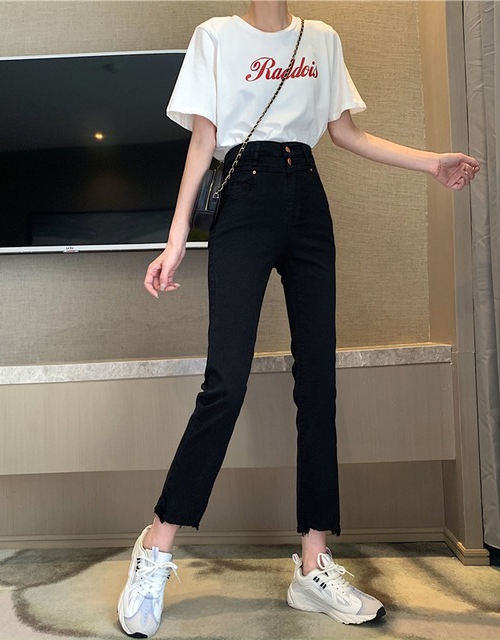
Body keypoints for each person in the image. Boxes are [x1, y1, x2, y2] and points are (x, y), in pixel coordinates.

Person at [118, 2, 479, 637]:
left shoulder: (322, 38)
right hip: (244, 196)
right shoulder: (215, 37)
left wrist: (430, 162)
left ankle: (314, 565)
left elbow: (347, 134)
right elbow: (202, 141)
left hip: (308, 199)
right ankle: (156, 544)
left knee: (318, 381)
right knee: (225, 382)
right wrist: (176, 240)